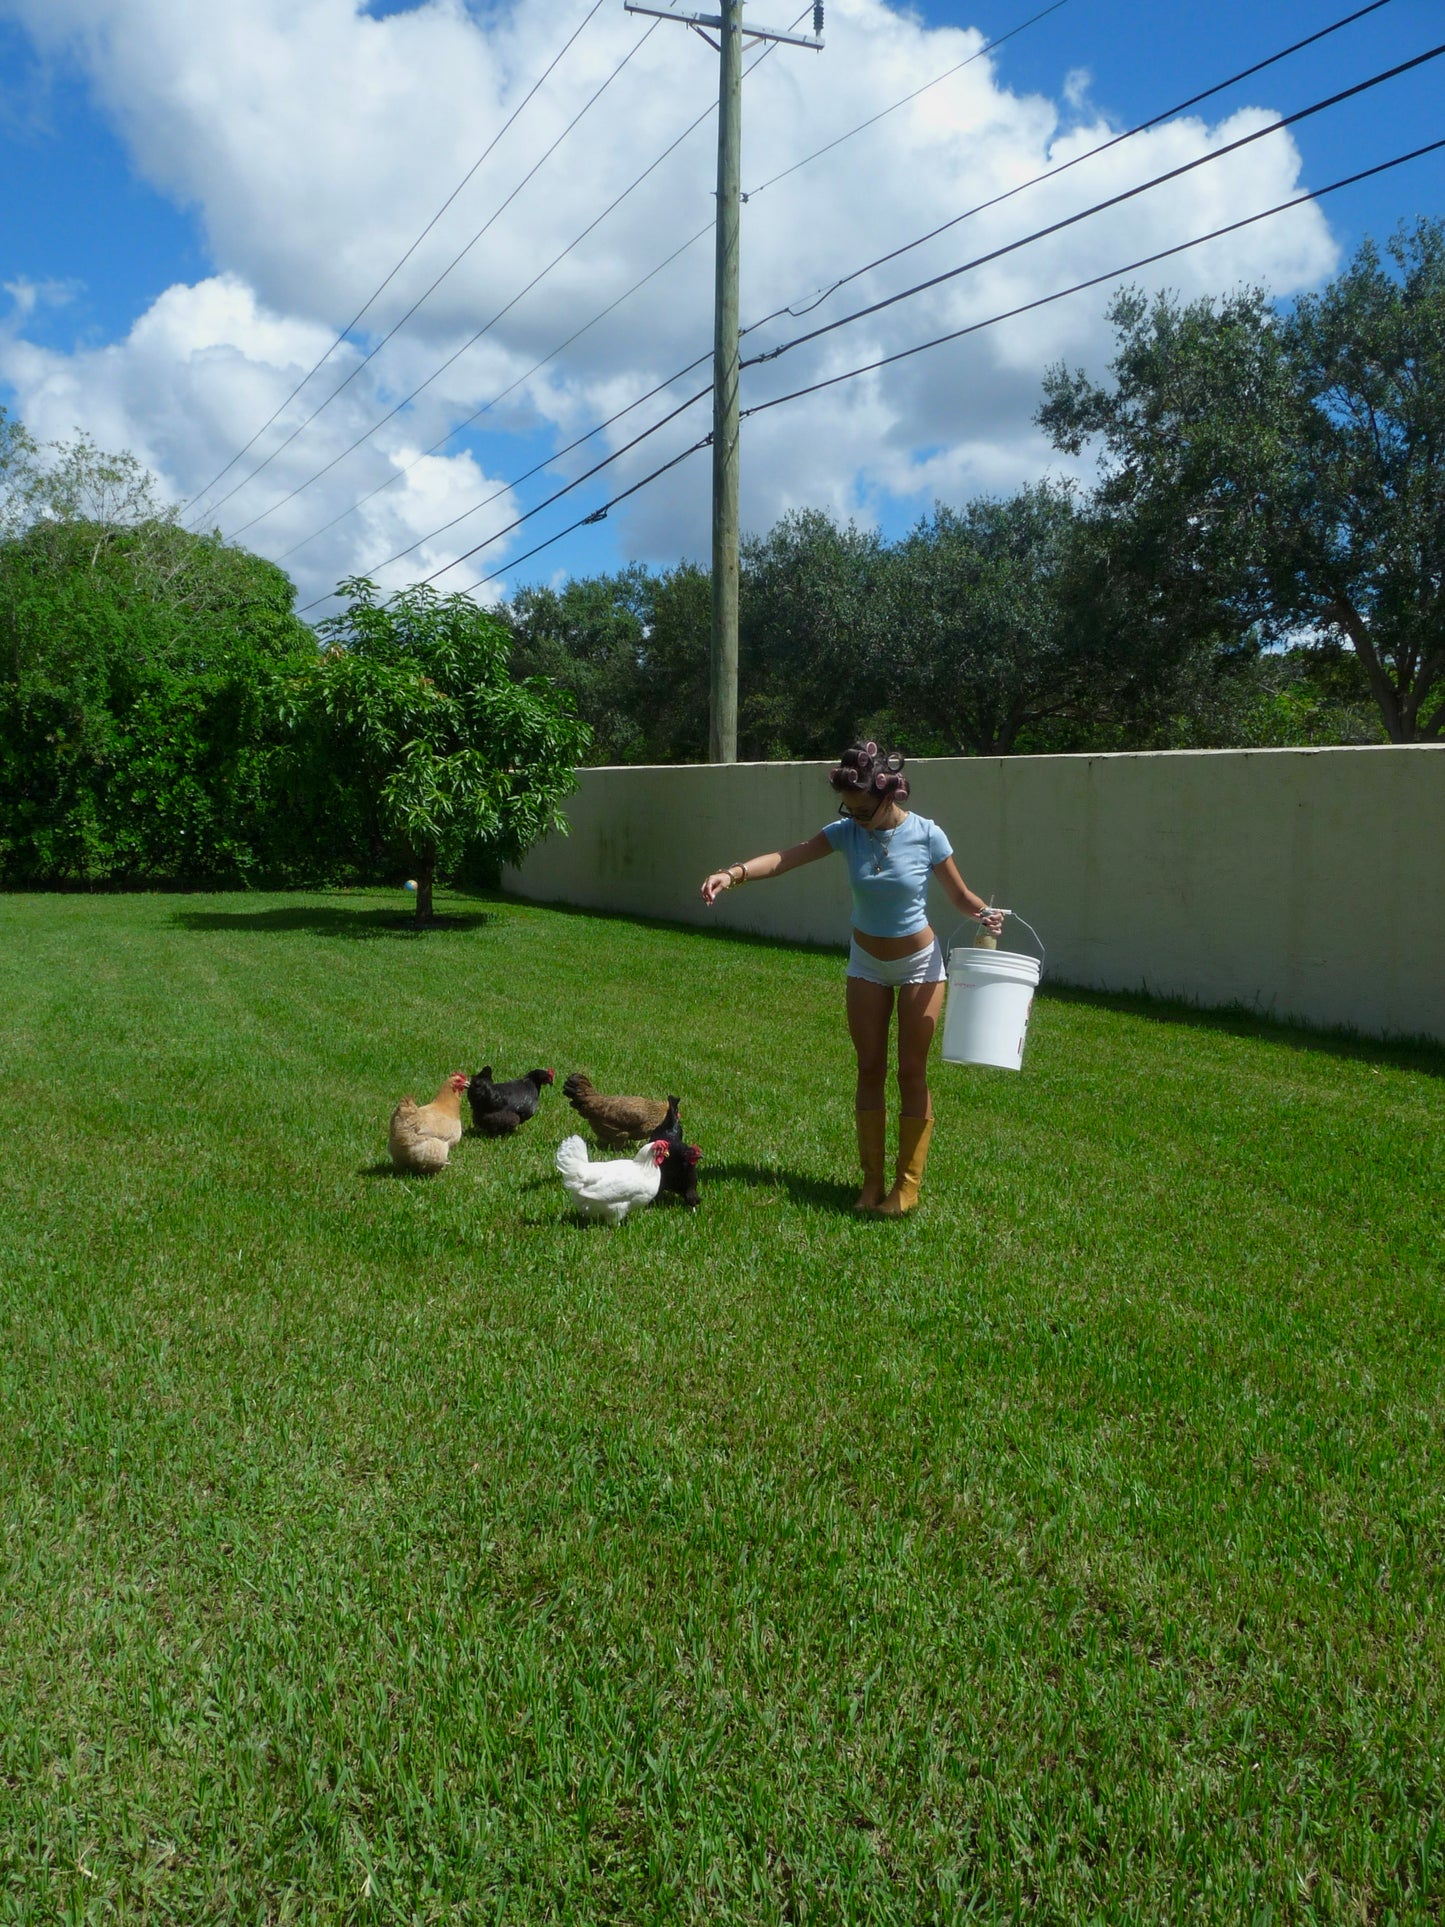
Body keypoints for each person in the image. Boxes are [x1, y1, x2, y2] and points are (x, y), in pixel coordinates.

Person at [700, 742, 1003, 1216]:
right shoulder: (846, 833)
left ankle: (906, 1187)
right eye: (851, 810)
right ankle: (871, 1182)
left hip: (920, 963)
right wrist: (732, 873)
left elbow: (960, 895)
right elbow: (787, 857)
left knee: (911, 1071)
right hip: (866, 962)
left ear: (889, 795)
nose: (857, 818)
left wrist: (985, 914)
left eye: (864, 809)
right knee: (868, 1068)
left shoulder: (927, 835)